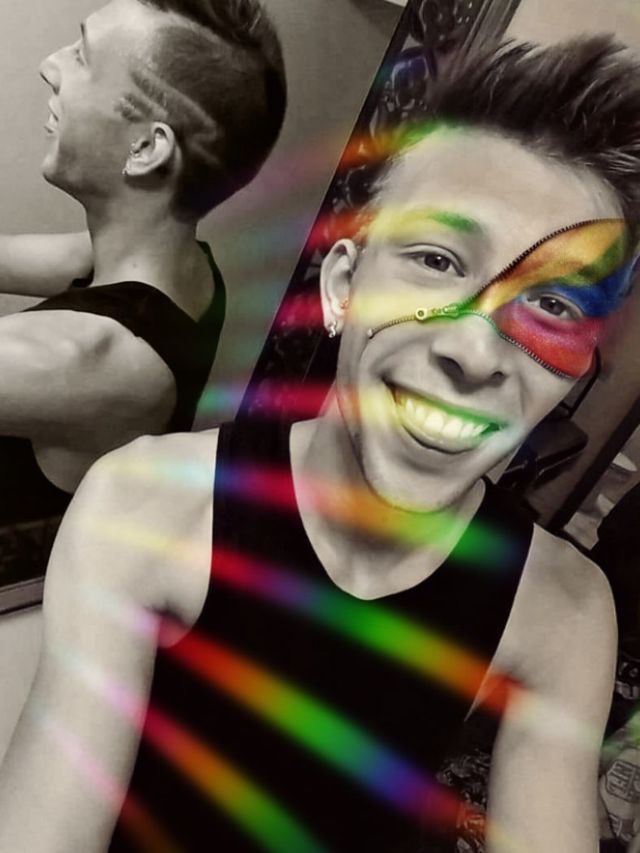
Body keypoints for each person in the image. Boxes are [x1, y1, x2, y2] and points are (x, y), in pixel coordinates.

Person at [0, 34, 637, 853]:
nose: (476, 352)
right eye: (437, 258)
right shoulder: (146, 504)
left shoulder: (564, 608)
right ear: (341, 286)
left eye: (553, 304)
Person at [0, 0, 286, 539]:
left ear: (146, 147)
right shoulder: (178, 266)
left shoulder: (90, 357)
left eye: (82, 57)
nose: (50, 65)